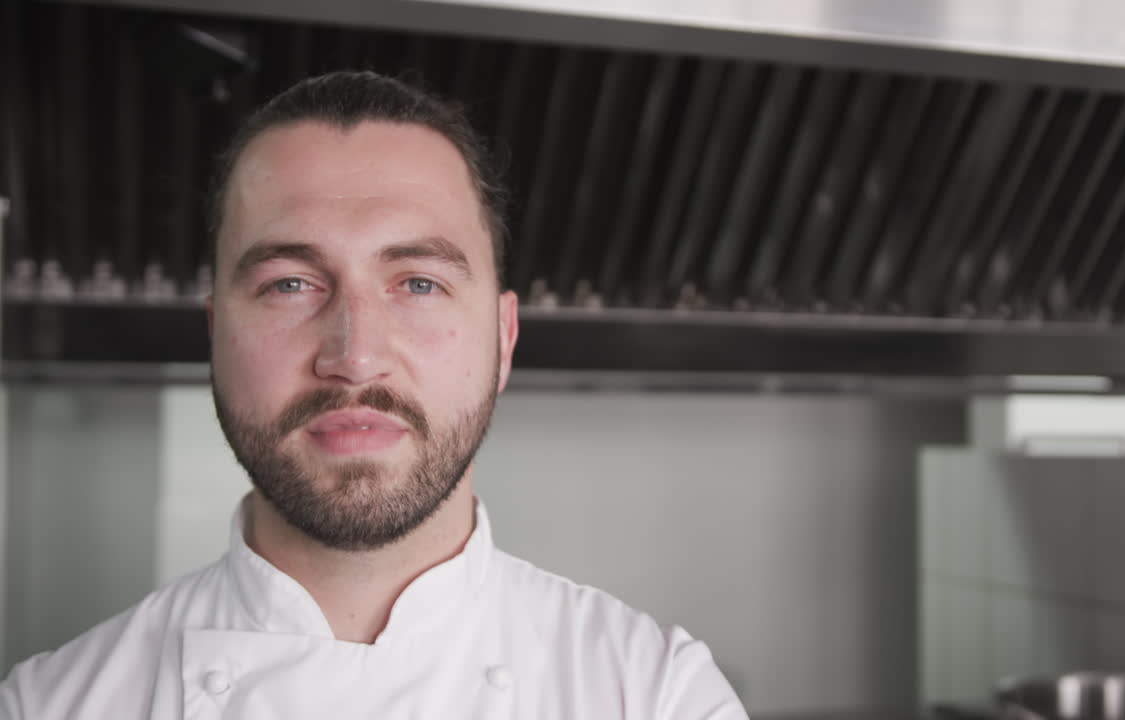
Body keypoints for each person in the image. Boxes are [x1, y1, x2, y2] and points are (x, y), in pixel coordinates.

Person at [0, 71, 747, 719]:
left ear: (503, 338)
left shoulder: (654, 694)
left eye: (418, 283)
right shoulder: (51, 706)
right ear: (215, 333)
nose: (355, 358)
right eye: (290, 284)